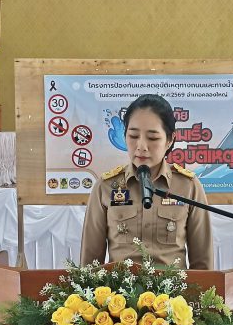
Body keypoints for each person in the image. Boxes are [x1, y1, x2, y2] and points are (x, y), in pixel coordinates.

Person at [80, 94, 213, 269]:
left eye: (152, 138)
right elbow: (90, 265)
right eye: (133, 136)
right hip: (120, 287)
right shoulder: (105, 187)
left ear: (170, 140)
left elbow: (203, 266)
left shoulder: (188, 186)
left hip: (173, 287)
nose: (141, 146)